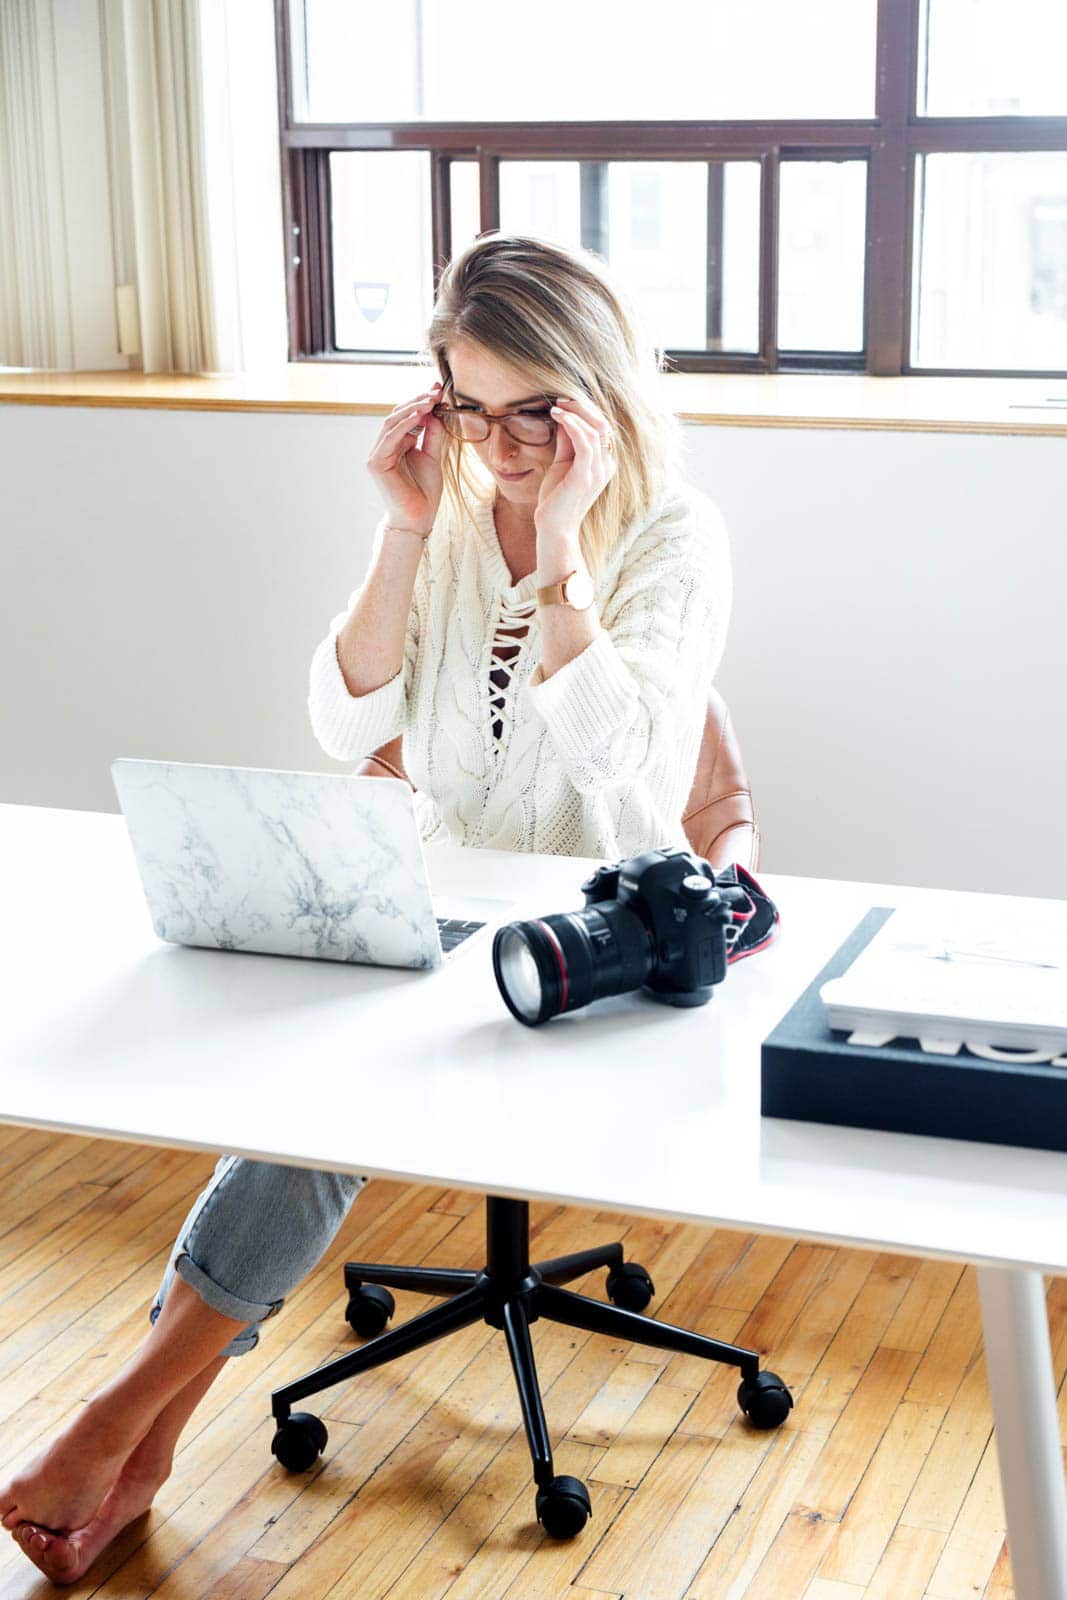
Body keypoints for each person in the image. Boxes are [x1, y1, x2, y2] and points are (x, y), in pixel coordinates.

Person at [0, 232, 731, 1583]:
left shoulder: (674, 534)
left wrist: (562, 545)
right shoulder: (449, 510)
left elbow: (626, 765)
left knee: (327, 1103)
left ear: (599, 394)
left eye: (534, 414)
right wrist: (403, 529)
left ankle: (126, 1418)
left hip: (595, 939)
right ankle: (142, 1437)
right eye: (469, 407)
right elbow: (346, 720)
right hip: (443, 897)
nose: (501, 451)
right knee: (300, 1091)